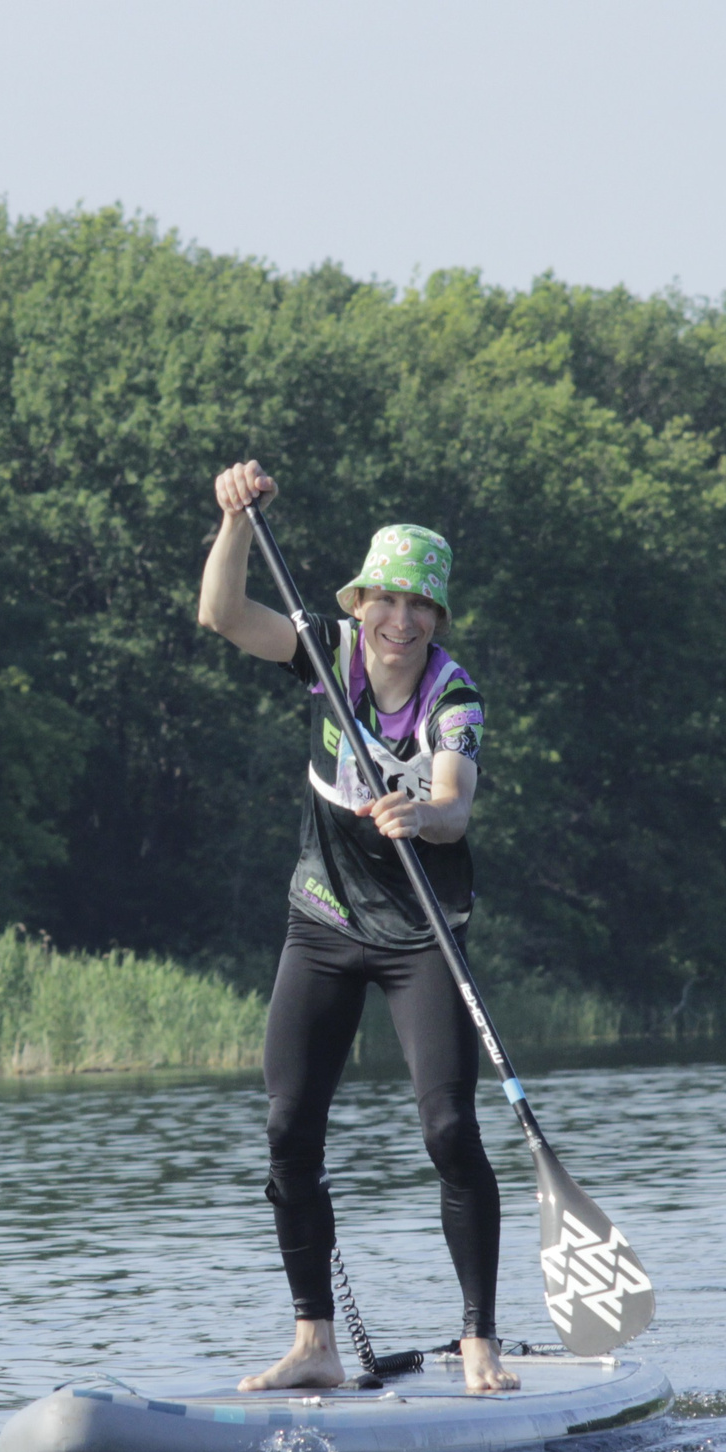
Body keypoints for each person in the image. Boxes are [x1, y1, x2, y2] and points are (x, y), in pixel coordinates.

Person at [197, 459, 517, 1395]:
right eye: (388, 601)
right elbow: (223, 615)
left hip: (422, 933)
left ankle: (480, 1344)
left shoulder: (454, 699)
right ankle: (315, 1342)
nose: (400, 622)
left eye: (420, 607)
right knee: (289, 1125)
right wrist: (234, 523)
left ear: (436, 621)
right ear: (363, 602)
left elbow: (455, 802)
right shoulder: (325, 650)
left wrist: (422, 815)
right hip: (324, 922)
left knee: (451, 1129)